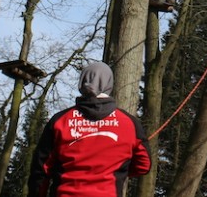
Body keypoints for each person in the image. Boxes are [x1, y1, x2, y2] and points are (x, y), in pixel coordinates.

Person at [28, 62, 151, 197]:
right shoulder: (130, 123)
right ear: (109, 83)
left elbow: (41, 169)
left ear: (82, 82)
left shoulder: (60, 120)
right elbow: (144, 165)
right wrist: (118, 170)